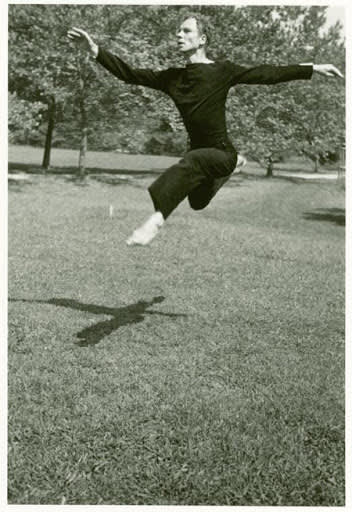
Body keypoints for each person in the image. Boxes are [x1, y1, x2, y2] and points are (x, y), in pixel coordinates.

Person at [67, 15, 343, 246]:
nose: (178, 34)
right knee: (197, 202)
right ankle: (233, 168)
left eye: (186, 30)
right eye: (178, 30)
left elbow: (266, 74)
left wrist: (312, 68)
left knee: (193, 161)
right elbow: (130, 74)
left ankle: (155, 221)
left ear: (202, 39)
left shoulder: (222, 71)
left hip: (220, 152)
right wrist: (95, 51)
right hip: (201, 156)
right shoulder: (172, 78)